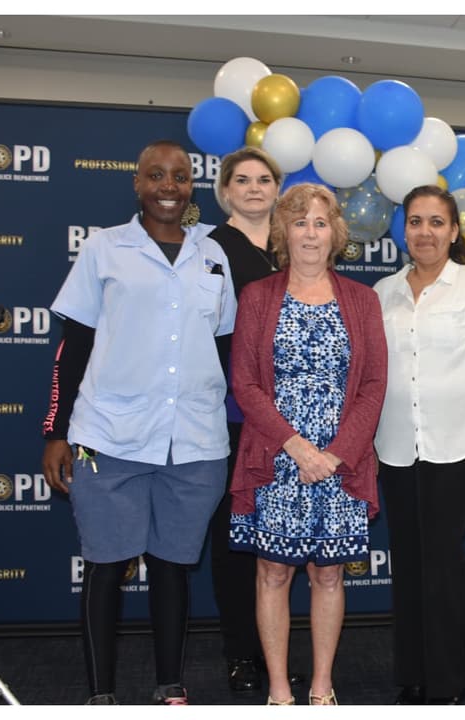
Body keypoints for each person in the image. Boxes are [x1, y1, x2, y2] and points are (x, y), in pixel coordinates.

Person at [41, 139, 237, 705]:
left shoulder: (213, 255)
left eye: (179, 176)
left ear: (192, 185)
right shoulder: (105, 248)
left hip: (194, 441)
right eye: (156, 175)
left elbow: (223, 348)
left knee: (172, 567)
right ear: (137, 183)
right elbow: (74, 346)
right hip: (109, 435)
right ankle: (100, 694)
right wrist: (56, 431)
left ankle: (169, 685)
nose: (168, 187)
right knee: (106, 566)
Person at [227, 183, 388, 706]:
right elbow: (245, 383)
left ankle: (322, 687)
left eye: (320, 223)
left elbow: (373, 386)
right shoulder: (257, 297)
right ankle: (279, 690)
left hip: (341, 462)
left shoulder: (362, 300)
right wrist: (296, 446)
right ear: (283, 232)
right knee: (272, 573)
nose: (311, 234)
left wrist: (335, 454)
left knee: (329, 574)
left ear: (335, 233)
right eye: (300, 223)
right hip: (276, 457)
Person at [373, 186, 465, 705]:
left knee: (441, 565)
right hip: (395, 448)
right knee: (409, 564)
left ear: (454, 230)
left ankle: (448, 680)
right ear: (404, 230)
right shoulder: (384, 291)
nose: (425, 232)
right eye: (416, 221)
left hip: (457, 448)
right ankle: (412, 675)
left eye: (437, 222)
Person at [206, 146, 284, 694]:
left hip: (291, 417)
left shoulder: (294, 246)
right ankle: (241, 653)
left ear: (277, 189)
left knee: (277, 540)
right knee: (234, 537)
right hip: (231, 413)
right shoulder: (209, 250)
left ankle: (272, 654)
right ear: (225, 191)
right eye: (242, 180)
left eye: (263, 179)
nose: (254, 188)